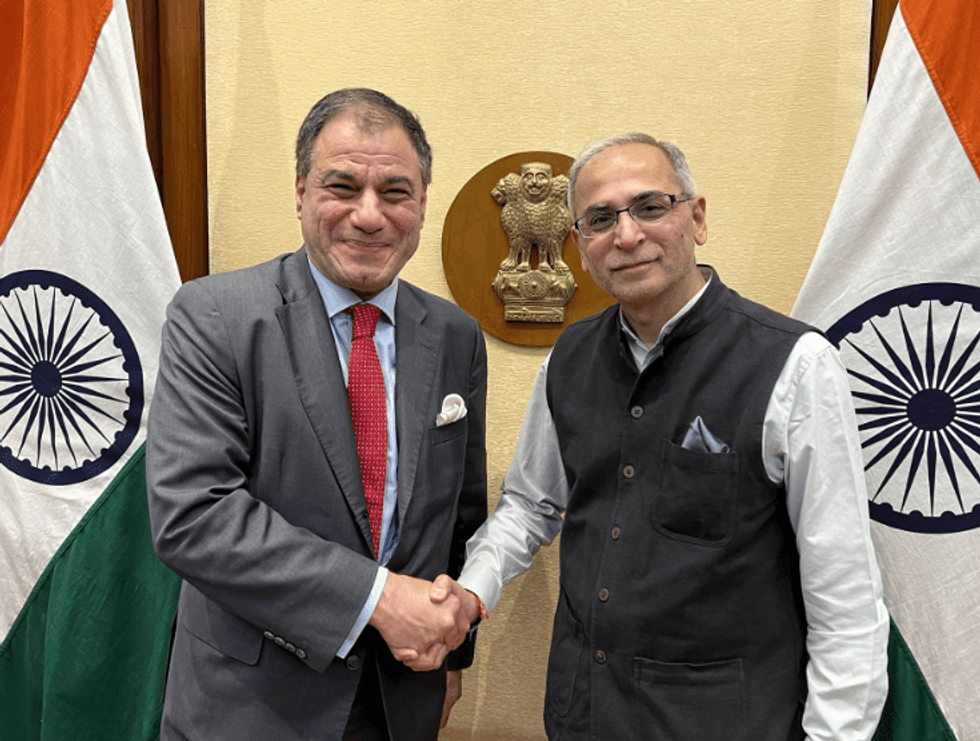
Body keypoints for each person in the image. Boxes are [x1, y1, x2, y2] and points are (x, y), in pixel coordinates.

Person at [455, 133, 889, 740]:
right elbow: (530, 505)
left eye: (650, 207)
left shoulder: (796, 366)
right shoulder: (568, 358)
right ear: (579, 247)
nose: (627, 235)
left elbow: (845, 598)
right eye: (601, 219)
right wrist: (469, 594)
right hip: (584, 716)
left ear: (697, 218)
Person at [146, 88, 487, 741]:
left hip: (401, 700)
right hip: (253, 705)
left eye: (395, 191)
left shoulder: (454, 334)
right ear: (300, 191)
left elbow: (460, 513)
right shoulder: (213, 316)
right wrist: (380, 599)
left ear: (421, 203)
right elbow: (194, 514)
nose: (369, 215)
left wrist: (452, 653)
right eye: (342, 186)